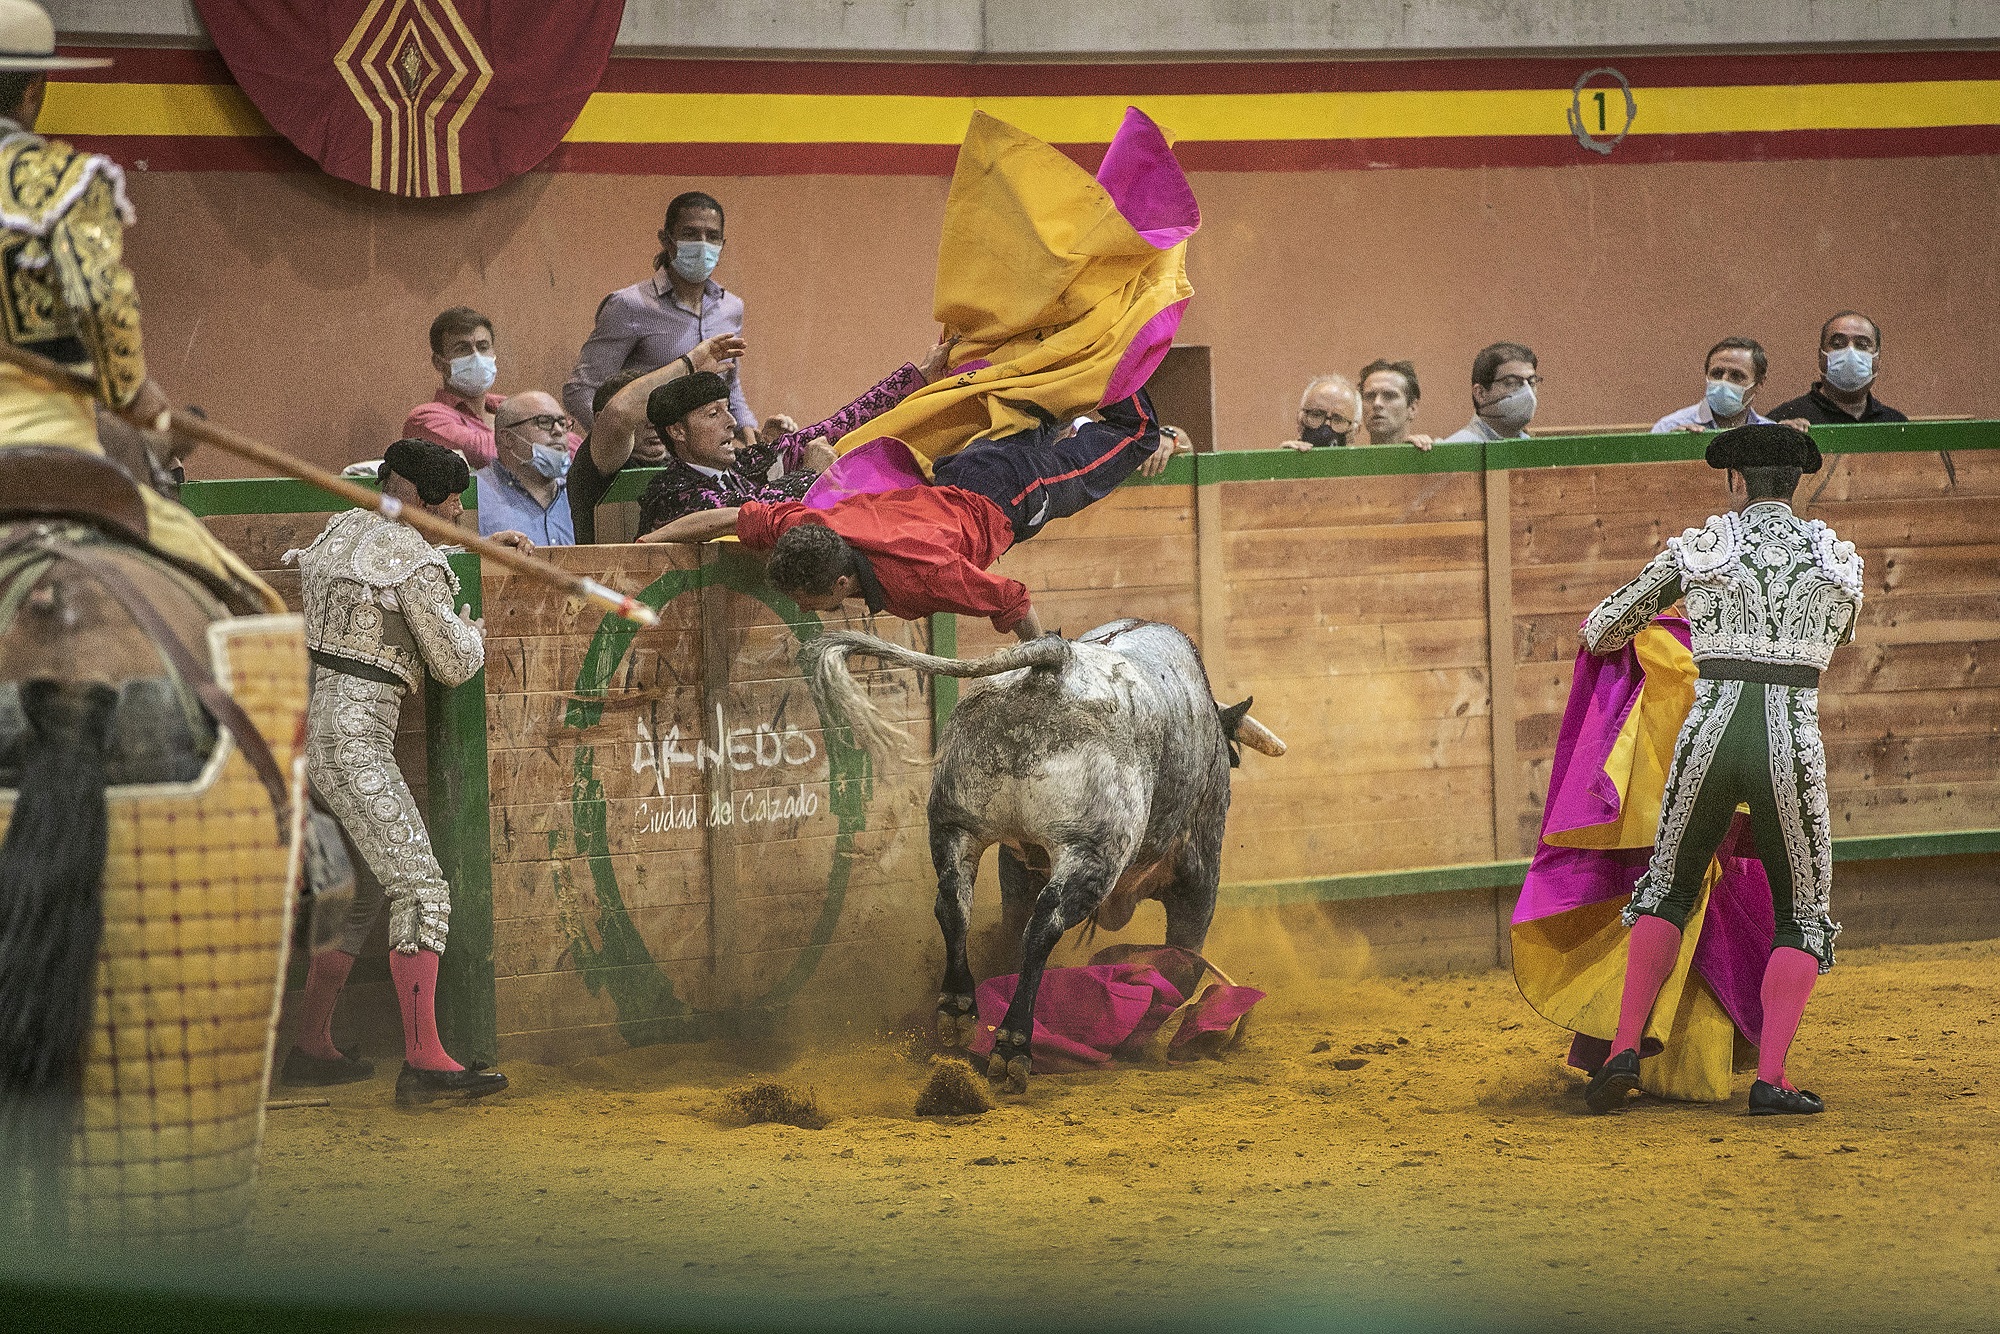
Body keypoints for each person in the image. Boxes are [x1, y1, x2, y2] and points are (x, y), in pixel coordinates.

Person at [1576, 423, 1861, 1117]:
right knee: (1801, 911)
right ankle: (1772, 1079)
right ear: (1797, 483)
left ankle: (1620, 1051)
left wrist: (1679, 632)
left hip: (1709, 730)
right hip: (1790, 736)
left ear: (1736, 481)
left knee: (1669, 888)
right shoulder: (1837, 558)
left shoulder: (1703, 547)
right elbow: (1841, 632)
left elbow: (1602, 627)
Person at [0, 18, 281, 614]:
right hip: (46, 433)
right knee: (244, 600)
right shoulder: (64, 183)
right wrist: (131, 390)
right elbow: (98, 301)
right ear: (33, 92)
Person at [281, 439, 531, 1105]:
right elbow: (452, 663)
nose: (455, 516)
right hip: (356, 743)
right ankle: (424, 1062)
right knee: (421, 890)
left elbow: (379, 575)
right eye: (450, 506)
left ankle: (311, 1045)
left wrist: (457, 550)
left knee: (364, 894)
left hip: (310, 732)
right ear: (420, 498)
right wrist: (474, 627)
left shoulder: (342, 526)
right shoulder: (416, 562)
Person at [642, 387, 1177, 638]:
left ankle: (1121, 351)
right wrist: (638, 550)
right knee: (1044, 392)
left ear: (841, 581)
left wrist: (1045, 675)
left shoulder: (924, 577)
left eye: (812, 602)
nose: (807, 612)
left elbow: (1013, 599)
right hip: (964, 469)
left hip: (1012, 491)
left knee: (1135, 433)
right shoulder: (806, 525)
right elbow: (720, 519)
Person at [634, 340, 956, 537]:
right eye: (713, 415)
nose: (732, 423)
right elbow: (747, 514)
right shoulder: (671, 494)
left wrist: (917, 378)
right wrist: (811, 476)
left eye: (728, 410)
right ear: (678, 431)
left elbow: (832, 429)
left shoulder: (742, 465)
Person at [563, 191, 754, 439]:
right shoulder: (630, 305)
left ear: (722, 246)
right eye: (690, 234)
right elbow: (581, 389)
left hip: (703, 461)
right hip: (649, 462)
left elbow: (729, 384)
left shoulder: (730, 307)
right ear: (666, 240)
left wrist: (750, 434)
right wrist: (620, 443)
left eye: (712, 236)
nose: (702, 244)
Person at [402, 307, 578, 471]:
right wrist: (548, 441)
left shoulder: (510, 406)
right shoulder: (424, 419)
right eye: (463, 349)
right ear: (439, 363)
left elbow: (577, 451)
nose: (476, 356)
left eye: (483, 346)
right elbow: (482, 454)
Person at [1767, 312, 1908, 427]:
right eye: (1838, 344)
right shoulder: (1784, 419)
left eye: (1862, 344)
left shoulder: (1895, 424)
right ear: (1821, 356)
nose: (1850, 352)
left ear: (1877, 359)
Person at [474, 391, 574, 545]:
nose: (558, 431)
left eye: (562, 423)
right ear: (508, 438)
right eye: (544, 422)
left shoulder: (579, 494)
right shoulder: (473, 494)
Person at [1653, 337, 1777, 433]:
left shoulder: (1772, 433)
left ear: (1759, 383)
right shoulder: (1668, 427)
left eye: (1736, 376)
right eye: (1717, 373)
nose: (1724, 381)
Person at [1442, 342, 1540, 443]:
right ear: (1480, 393)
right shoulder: (1458, 449)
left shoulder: (1535, 449)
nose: (1527, 392)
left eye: (1531, 382)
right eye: (1511, 383)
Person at [1357, 359, 1434, 450]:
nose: (1376, 403)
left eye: (1389, 395)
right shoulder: (1349, 461)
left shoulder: (1431, 458)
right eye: (1370, 396)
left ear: (1412, 408)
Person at [1278, 374, 1360, 450]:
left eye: (1338, 419)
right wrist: (1280, 462)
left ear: (1354, 430)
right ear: (1300, 418)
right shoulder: (1282, 460)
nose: (1326, 427)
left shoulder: (1365, 465)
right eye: (1316, 415)